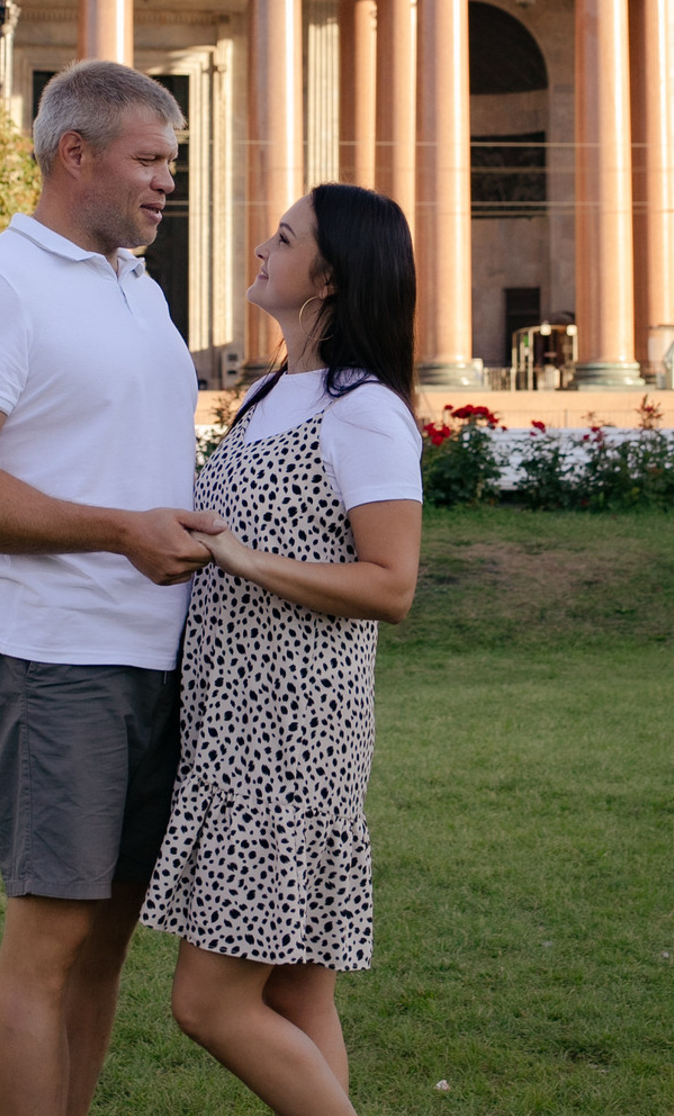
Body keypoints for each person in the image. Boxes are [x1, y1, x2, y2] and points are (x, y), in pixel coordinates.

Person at [0, 60, 224, 1116]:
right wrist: (118, 534)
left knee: (107, 943)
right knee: (49, 940)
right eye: (149, 159)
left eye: (172, 162)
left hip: (161, 657)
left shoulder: (139, 287)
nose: (167, 181)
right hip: (58, 659)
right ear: (72, 154)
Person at [141, 183, 424, 1116]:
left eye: (285, 236)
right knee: (300, 990)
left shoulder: (364, 410)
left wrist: (236, 556)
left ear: (329, 277)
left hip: (290, 741)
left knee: (209, 1001)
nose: (262, 244)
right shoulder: (271, 390)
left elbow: (392, 584)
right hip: (236, 728)